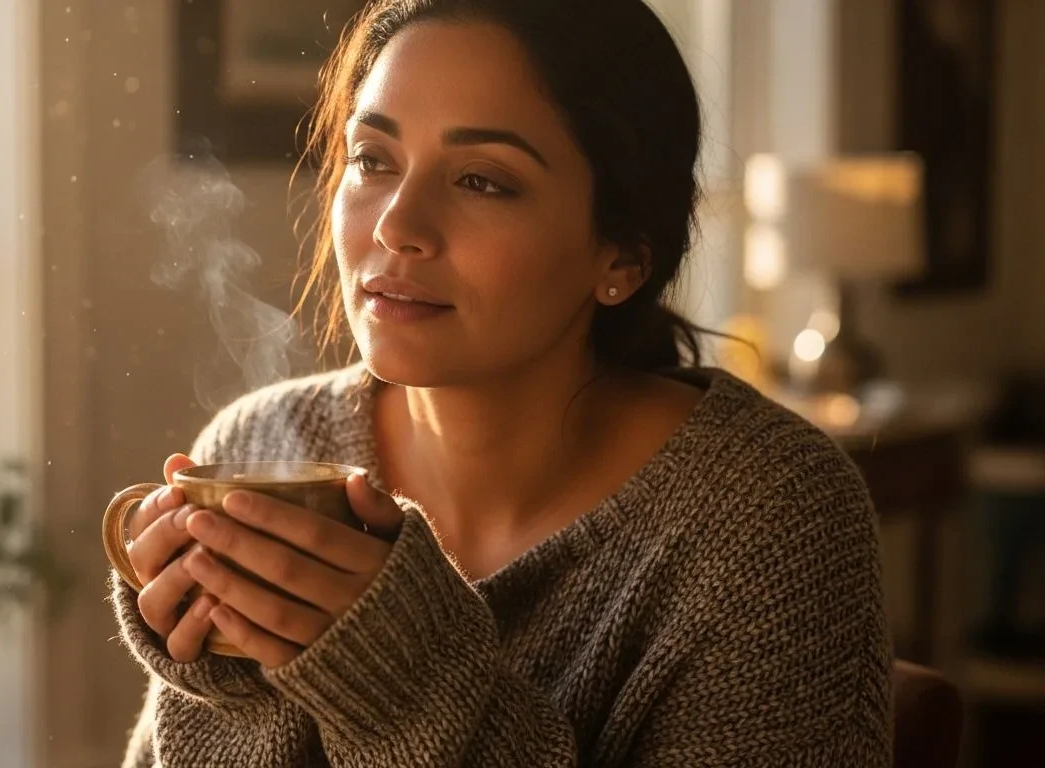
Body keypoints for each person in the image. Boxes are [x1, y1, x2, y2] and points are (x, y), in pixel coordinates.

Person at [112, 1, 892, 765]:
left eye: (483, 180)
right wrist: (234, 692)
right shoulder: (259, 447)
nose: (396, 224)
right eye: (372, 160)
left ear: (622, 256)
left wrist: (402, 686)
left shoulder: (768, 520)